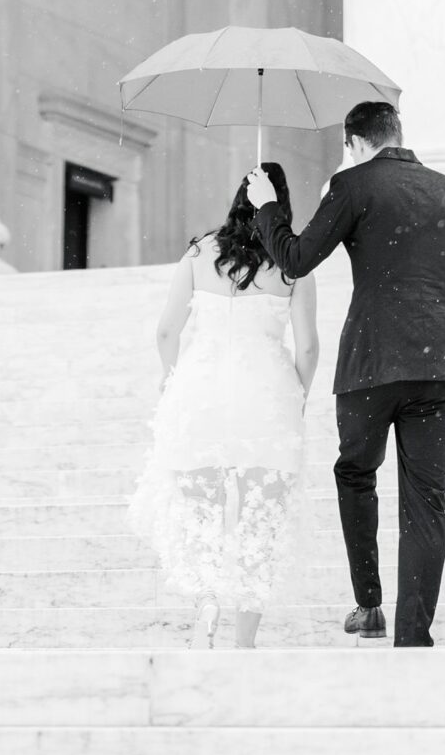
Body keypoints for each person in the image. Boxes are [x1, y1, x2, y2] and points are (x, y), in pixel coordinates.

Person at [246, 102, 445, 649]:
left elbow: (293, 260)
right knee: (426, 500)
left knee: (356, 473)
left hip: (369, 365)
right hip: (439, 367)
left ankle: (369, 605)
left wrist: (267, 208)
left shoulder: (351, 185)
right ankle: (413, 639)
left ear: (354, 141)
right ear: (397, 136)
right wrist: (436, 313)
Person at [127, 161, 320, 649]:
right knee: (261, 522)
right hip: (267, 398)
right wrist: (296, 394)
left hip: (201, 394)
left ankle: (206, 604)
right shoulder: (294, 265)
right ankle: (245, 641)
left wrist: (172, 380)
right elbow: (310, 347)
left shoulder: (199, 253)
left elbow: (166, 331)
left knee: (201, 513)